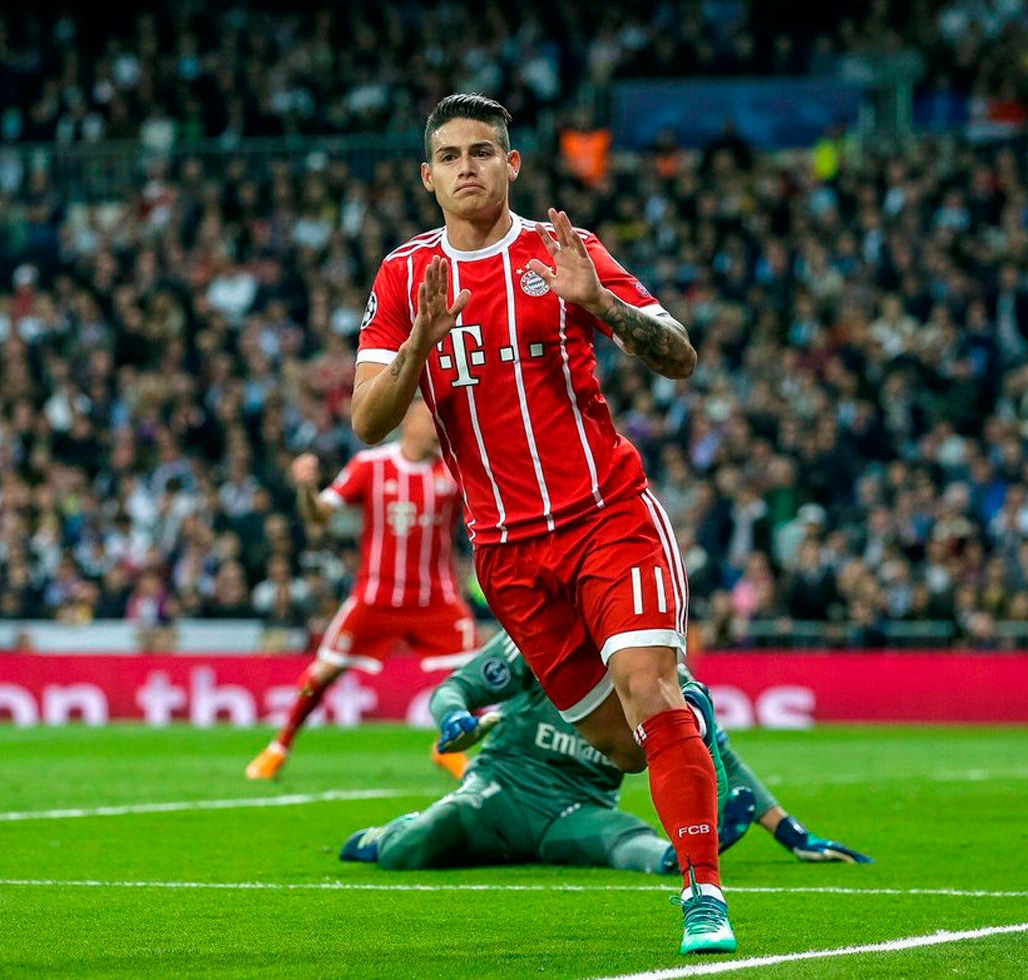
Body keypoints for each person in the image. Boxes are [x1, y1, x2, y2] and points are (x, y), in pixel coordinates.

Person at [351, 93, 733, 954]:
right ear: (427, 176)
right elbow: (369, 424)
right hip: (509, 554)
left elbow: (680, 355)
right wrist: (419, 344)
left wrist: (601, 304)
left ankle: (702, 896)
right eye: (449, 155)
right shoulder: (403, 277)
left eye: (483, 151)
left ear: (512, 164)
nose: (467, 168)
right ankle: (680, 718)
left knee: (647, 688)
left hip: (607, 517)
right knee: (627, 748)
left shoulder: (563, 251)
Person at [339, 630, 872, 874]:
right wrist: (453, 719)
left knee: (626, 841)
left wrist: (790, 832)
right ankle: (386, 834)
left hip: (578, 807)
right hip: (502, 791)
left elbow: (718, 756)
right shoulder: (539, 637)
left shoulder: (657, 669)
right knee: (418, 846)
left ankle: (681, 855)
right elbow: (454, 688)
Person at [246, 400, 479, 780]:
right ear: (408, 421)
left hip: (435, 596)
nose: (437, 427)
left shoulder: (452, 471)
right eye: (428, 419)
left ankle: (447, 747)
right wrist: (306, 488)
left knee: (479, 675)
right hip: (376, 597)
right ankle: (278, 747)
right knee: (321, 674)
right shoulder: (370, 466)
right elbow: (318, 514)